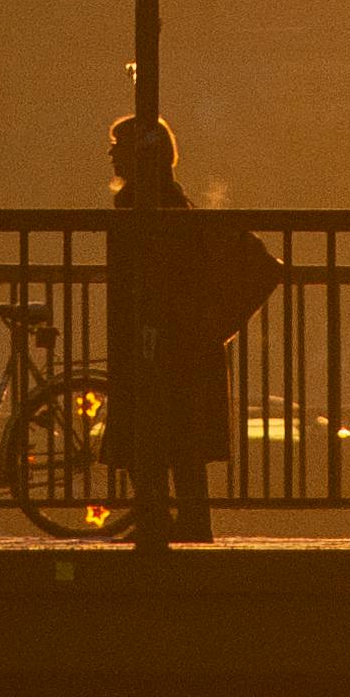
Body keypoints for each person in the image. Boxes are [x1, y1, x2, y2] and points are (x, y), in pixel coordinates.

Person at [107, 112, 279, 546]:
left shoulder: (144, 208)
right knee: (181, 433)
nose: (111, 153)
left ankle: (158, 515)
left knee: (149, 423)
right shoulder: (176, 204)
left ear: (143, 156)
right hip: (184, 337)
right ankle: (188, 517)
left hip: (161, 335)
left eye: (118, 145)